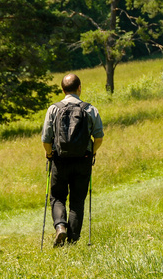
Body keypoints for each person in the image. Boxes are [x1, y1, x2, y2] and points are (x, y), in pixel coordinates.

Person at [41, 73, 104, 247]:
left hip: (60, 160)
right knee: (77, 201)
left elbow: (46, 139)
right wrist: (93, 152)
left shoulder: (53, 109)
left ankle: (60, 226)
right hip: (83, 159)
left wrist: (49, 154)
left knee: (58, 197)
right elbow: (98, 138)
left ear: (62, 89)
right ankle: (72, 241)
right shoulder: (90, 109)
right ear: (79, 88)